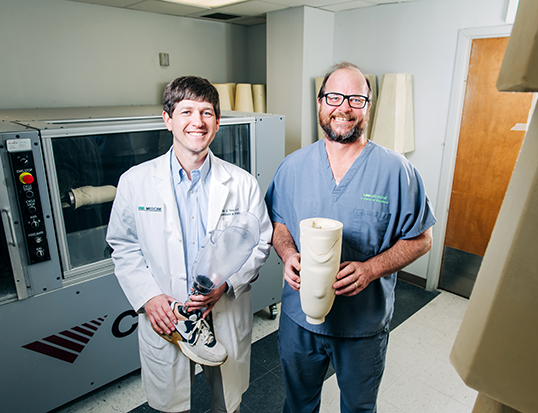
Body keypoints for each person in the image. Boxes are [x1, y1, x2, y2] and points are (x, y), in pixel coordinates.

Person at [265, 62, 436, 413]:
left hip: (362, 327)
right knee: (298, 404)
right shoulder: (293, 167)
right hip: (300, 322)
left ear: (368, 107)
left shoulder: (397, 171)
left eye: (356, 99)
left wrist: (371, 269)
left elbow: (422, 239)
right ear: (320, 103)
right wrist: (287, 254)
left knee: (358, 408)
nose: (343, 107)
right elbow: (278, 223)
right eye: (333, 97)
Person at [106, 75, 272, 413]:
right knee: (171, 404)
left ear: (218, 122)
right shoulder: (135, 182)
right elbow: (123, 246)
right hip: (167, 313)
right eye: (186, 112)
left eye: (207, 113)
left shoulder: (241, 183)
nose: (197, 122)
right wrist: (148, 297)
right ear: (168, 120)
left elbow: (260, 243)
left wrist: (226, 284)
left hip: (222, 309)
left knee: (226, 403)